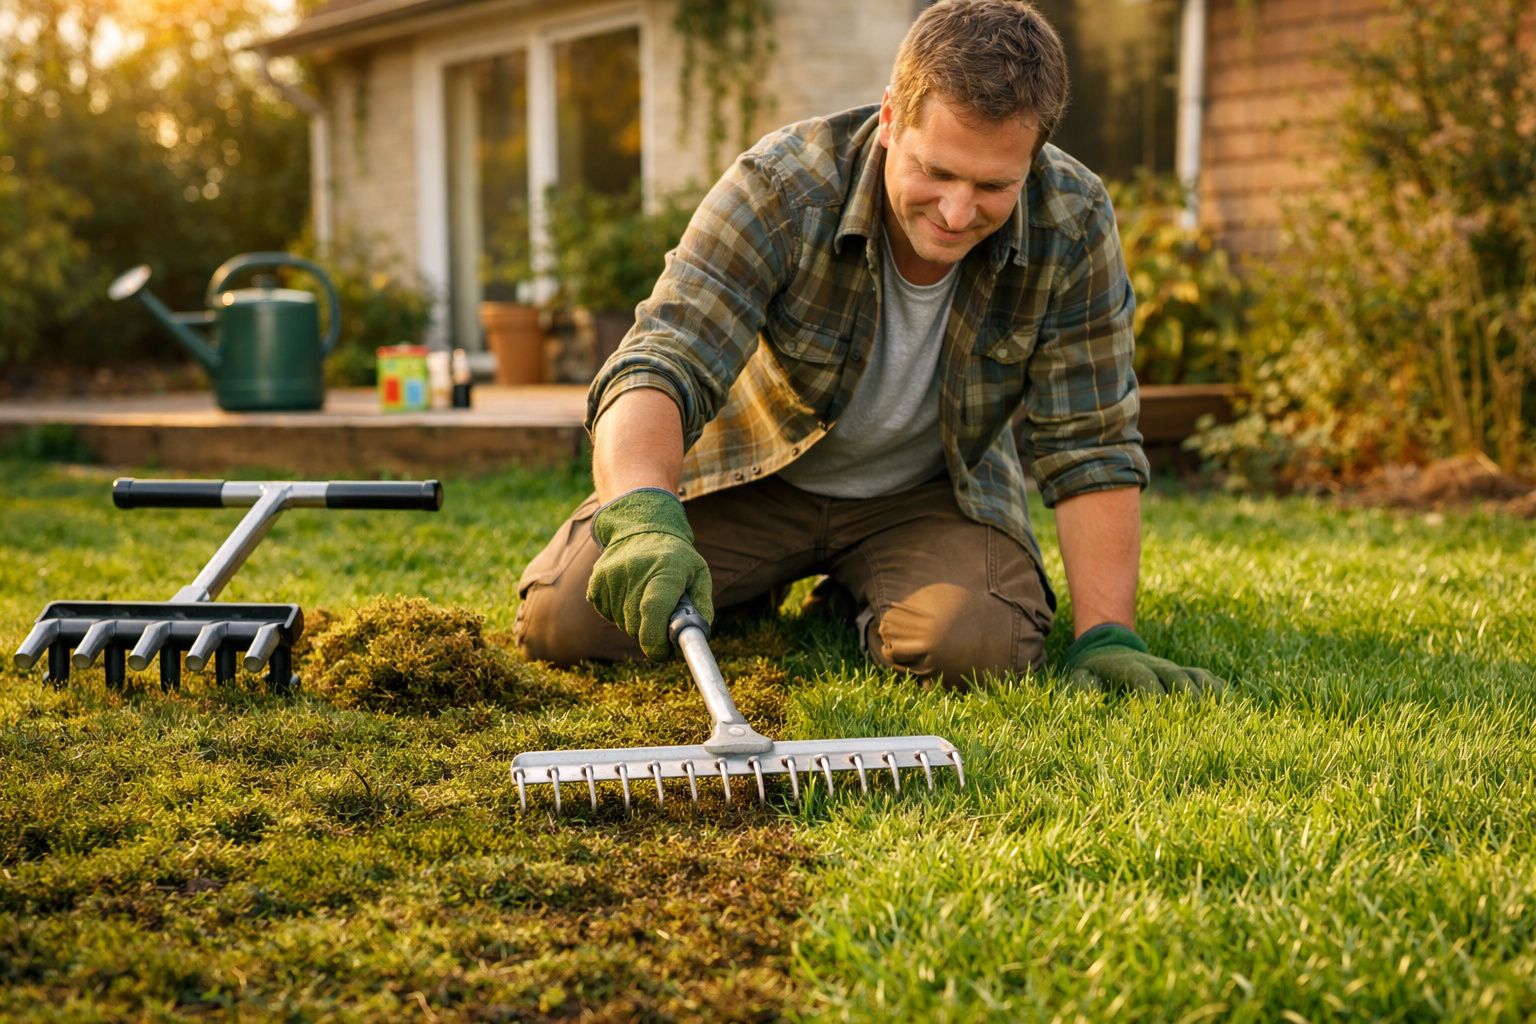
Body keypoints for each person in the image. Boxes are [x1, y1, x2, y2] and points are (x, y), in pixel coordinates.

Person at [514, 0, 1225, 696]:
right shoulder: (781, 188)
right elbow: (663, 359)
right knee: (565, 622)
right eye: (936, 172)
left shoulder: (1073, 219)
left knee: (980, 648)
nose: (956, 213)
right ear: (890, 118)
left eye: (993, 185)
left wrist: (1107, 634)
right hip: (754, 475)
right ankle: (755, 582)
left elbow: (1091, 439)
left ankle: (860, 593)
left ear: (1032, 160)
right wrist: (643, 515)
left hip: (931, 495)